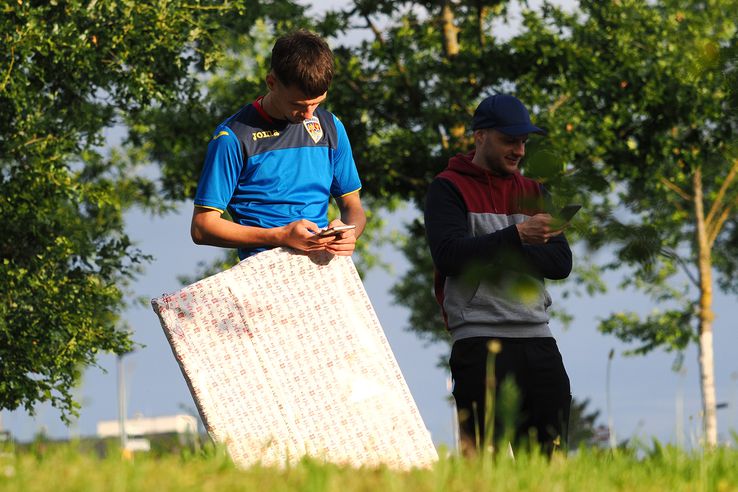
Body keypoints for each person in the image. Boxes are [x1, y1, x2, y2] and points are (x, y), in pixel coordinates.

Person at [424, 94, 572, 456]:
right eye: (510, 140)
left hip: (539, 340)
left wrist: (496, 248)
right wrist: (518, 237)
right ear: (480, 137)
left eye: (523, 141)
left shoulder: (536, 192)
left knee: (548, 465)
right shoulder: (447, 188)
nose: (519, 150)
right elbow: (450, 257)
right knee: (483, 468)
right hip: (478, 344)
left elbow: (561, 263)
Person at [191, 30, 366, 259]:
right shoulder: (232, 137)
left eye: (317, 103)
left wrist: (349, 233)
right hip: (264, 276)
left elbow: (353, 207)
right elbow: (202, 227)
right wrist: (281, 235)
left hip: (324, 273)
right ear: (271, 82)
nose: (308, 115)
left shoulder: (332, 126)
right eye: (299, 105)